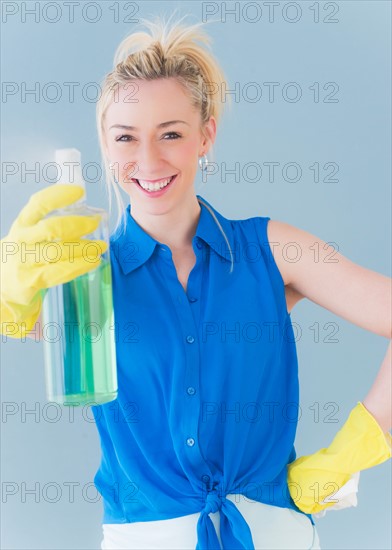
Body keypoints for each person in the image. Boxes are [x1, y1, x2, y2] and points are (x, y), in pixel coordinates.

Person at [1, 13, 391, 550]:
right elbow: (28, 331)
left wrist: (352, 452)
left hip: (272, 533)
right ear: (107, 147)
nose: (148, 160)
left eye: (171, 134)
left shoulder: (271, 251)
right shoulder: (83, 280)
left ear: (206, 134)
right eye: (125, 138)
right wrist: (11, 298)